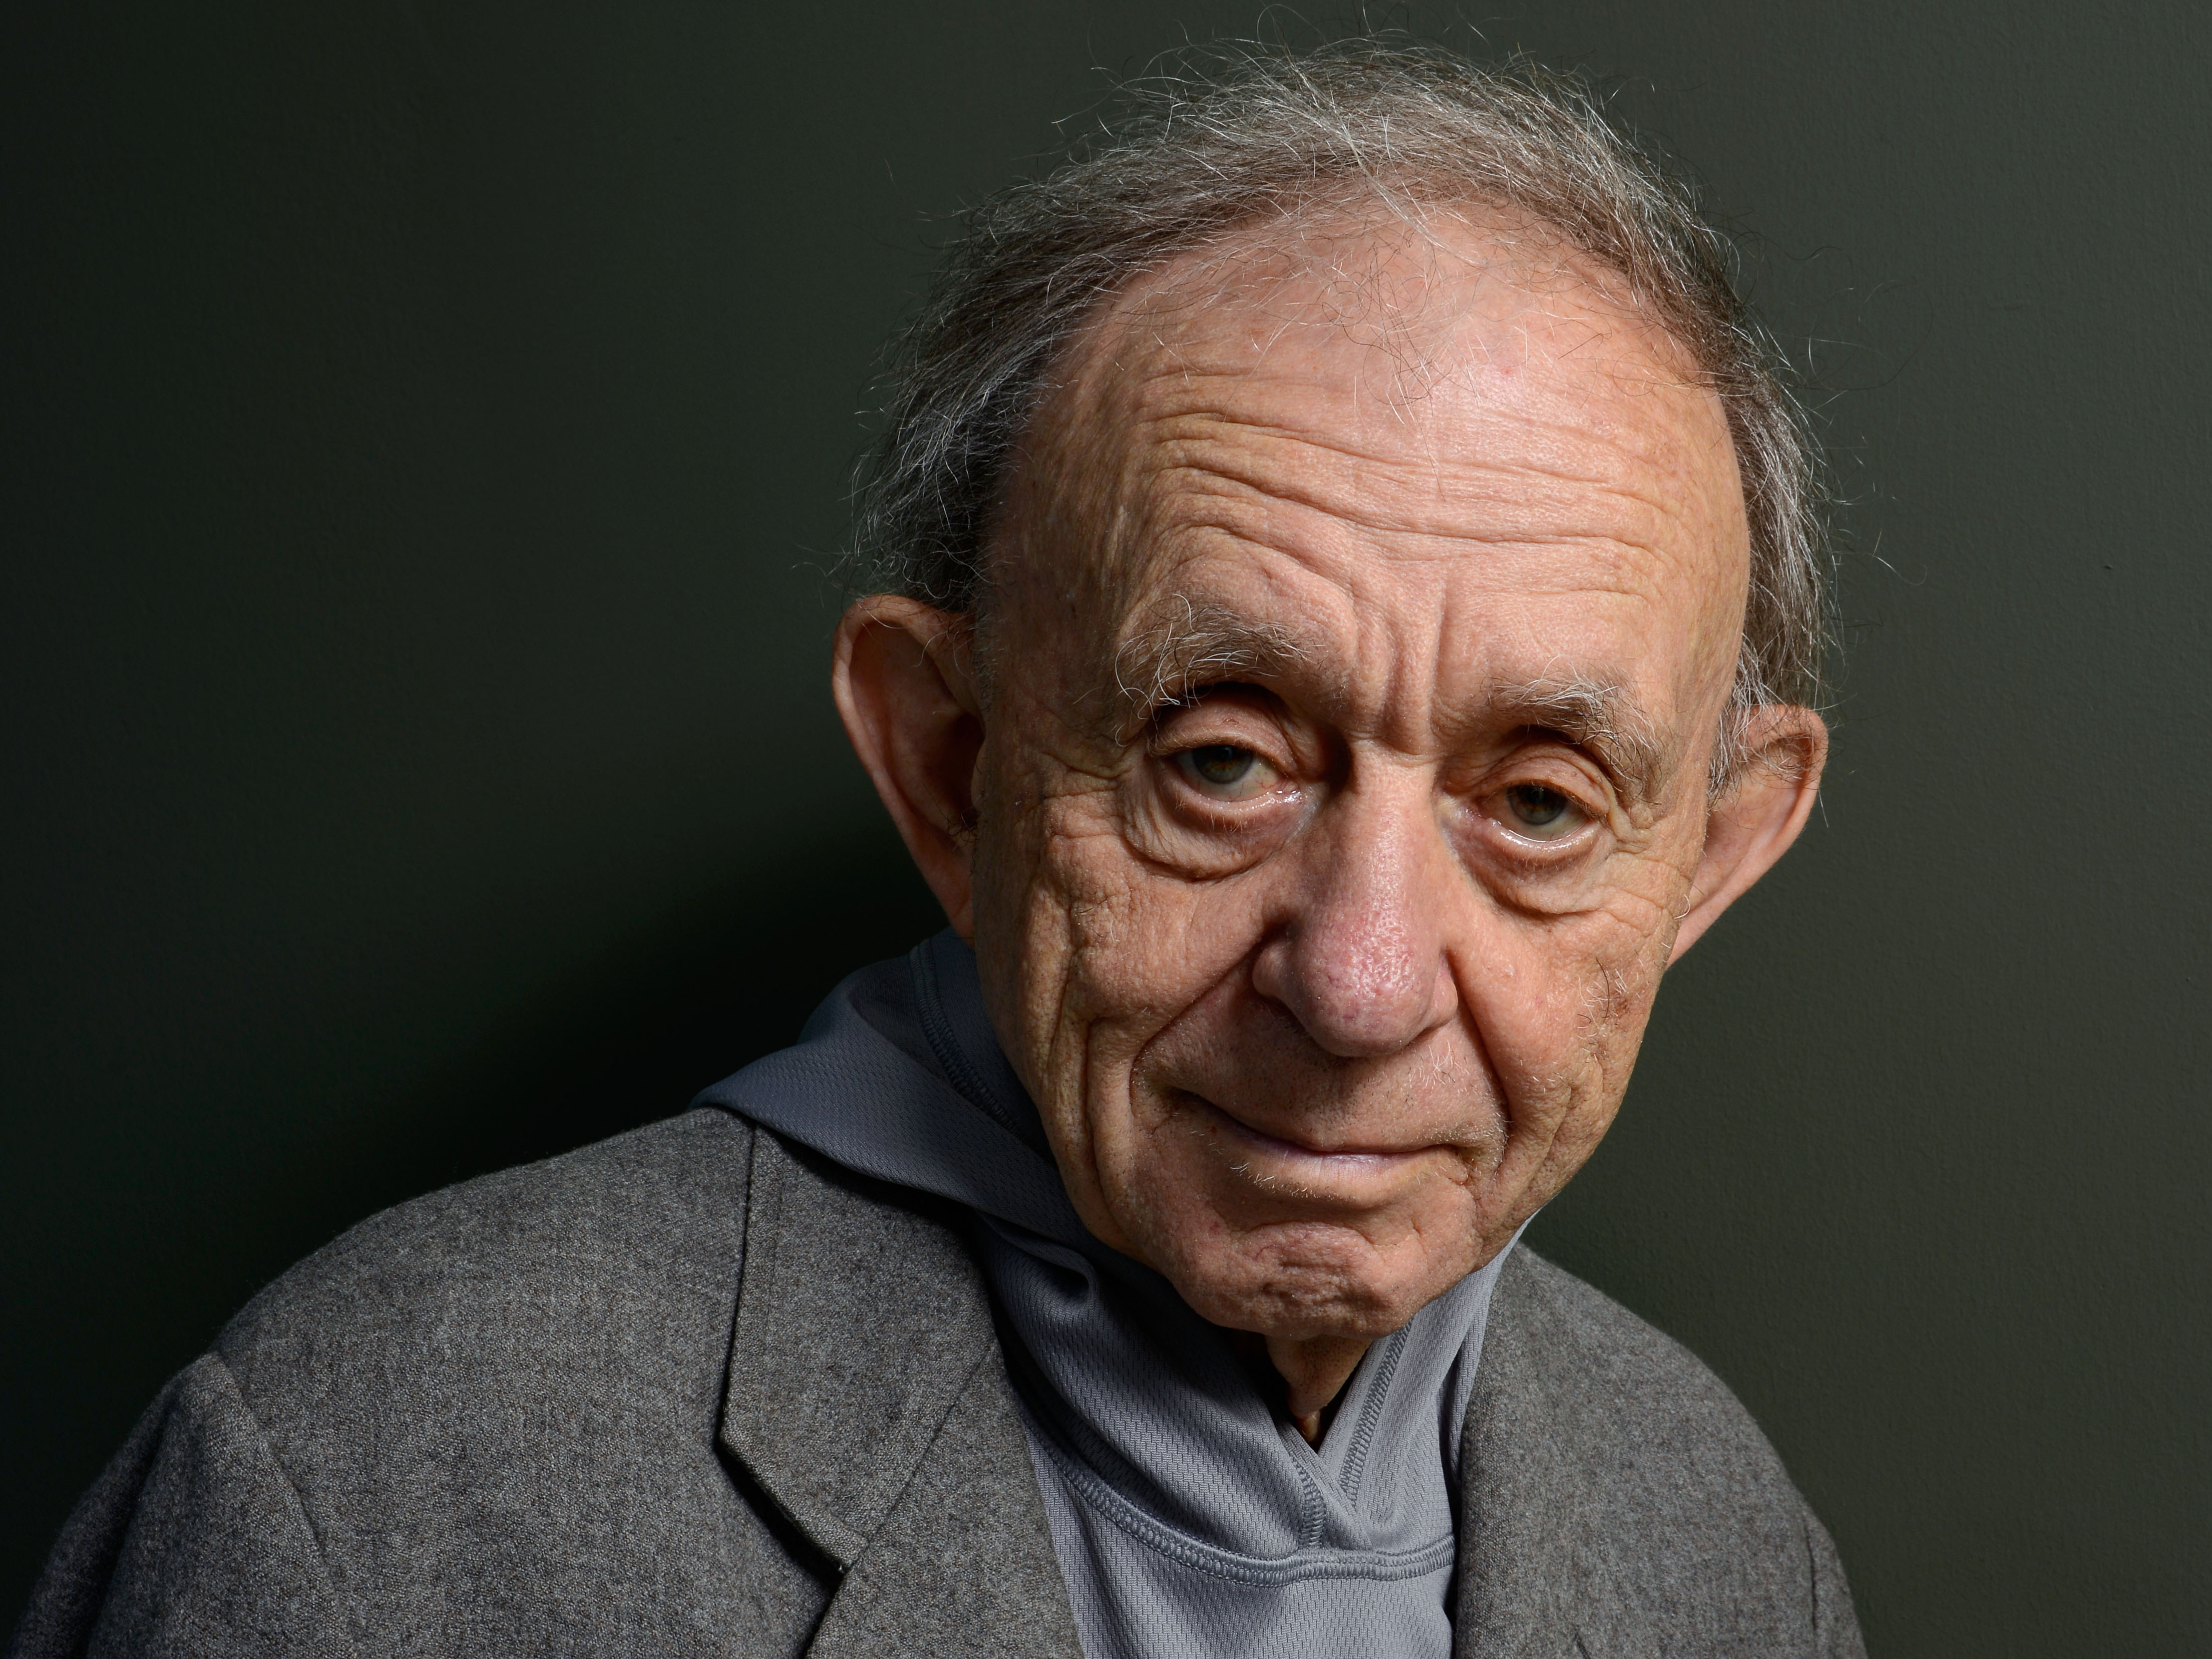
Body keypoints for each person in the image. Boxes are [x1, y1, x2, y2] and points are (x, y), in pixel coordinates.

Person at [11, 39, 1865, 1659]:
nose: (1363, 985)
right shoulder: (374, 1486)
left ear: (1706, 858)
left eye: (1538, 803)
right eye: (1220, 760)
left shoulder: (1721, 1534)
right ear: (947, 764)